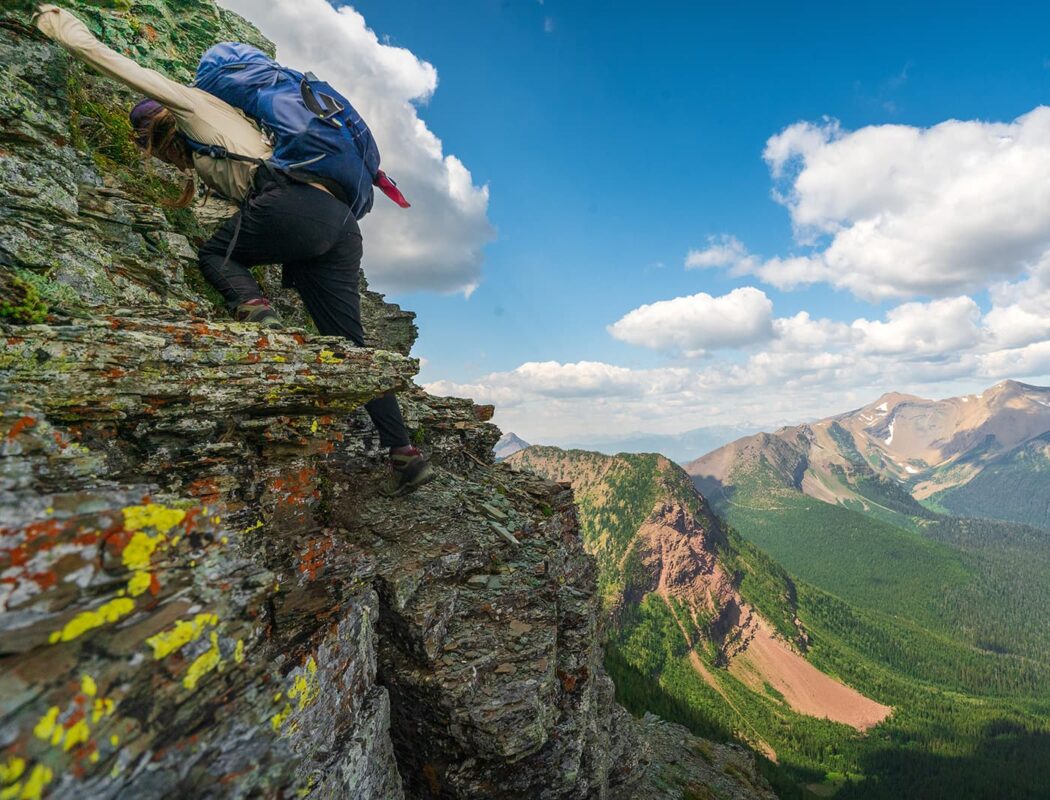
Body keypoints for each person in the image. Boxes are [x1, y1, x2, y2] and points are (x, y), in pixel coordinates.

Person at [33, 4, 434, 497]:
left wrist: (57, 24)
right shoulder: (249, 125)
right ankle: (404, 453)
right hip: (342, 225)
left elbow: (120, 65)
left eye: (150, 144)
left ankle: (256, 311)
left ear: (156, 128)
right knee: (352, 342)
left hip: (299, 208)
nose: (157, 155)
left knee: (217, 255)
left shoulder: (191, 106)